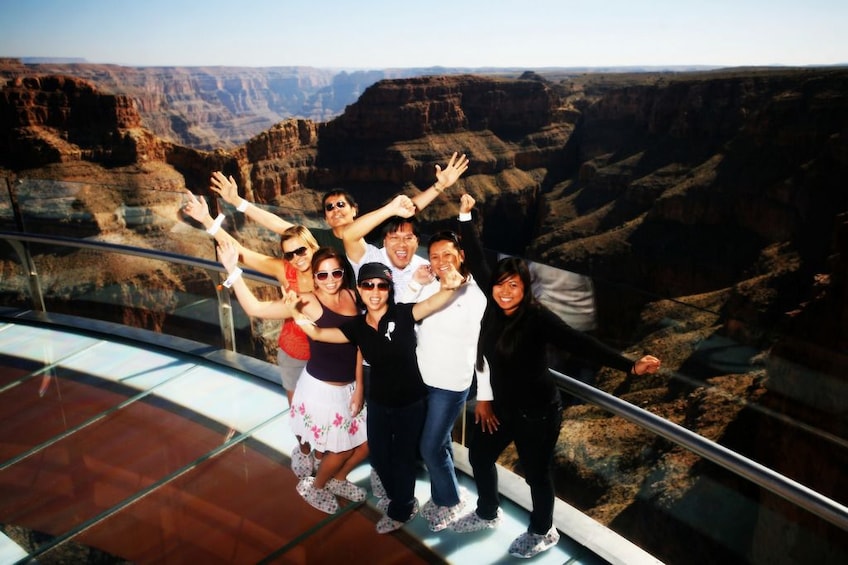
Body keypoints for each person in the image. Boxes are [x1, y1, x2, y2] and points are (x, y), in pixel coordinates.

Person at [451, 200, 662, 559]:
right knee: (481, 456)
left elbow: (580, 342)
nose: (504, 291)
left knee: (537, 474)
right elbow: (474, 254)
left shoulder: (537, 318)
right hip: (501, 406)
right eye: (501, 284)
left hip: (538, 412)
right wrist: (465, 215)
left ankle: (543, 530)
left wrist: (629, 366)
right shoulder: (492, 302)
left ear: (526, 288)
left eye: (513, 286)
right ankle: (488, 511)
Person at [292, 261, 467, 534]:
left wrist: (449, 287)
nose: (375, 291)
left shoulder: (404, 314)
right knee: (380, 458)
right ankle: (399, 496)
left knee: (403, 459)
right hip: (378, 403)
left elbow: (433, 303)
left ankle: (402, 507)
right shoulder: (358, 327)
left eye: (381, 285)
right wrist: (294, 310)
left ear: (389, 289)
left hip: (410, 404)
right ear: (359, 289)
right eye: (368, 285)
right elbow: (317, 332)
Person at [217, 241, 370, 515]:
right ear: (313, 278)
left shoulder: (352, 295)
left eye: (336, 272)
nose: (330, 280)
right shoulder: (307, 301)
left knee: (366, 444)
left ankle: (337, 480)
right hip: (323, 392)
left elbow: (359, 345)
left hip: (349, 389)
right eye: (322, 275)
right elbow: (256, 309)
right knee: (340, 450)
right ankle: (317, 487)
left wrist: (359, 387)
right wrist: (233, 271)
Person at [183, 194, 323, 478]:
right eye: (290, 254)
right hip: (293, 353)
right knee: (299, 414)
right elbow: (241, 252)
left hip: (328, 357)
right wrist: (207, 220)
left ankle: (325, 458)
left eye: (301, 251)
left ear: (313, 246)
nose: (297, 259)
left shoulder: (332, 270)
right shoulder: (284, 270)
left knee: (324, 415)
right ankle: (305, 454)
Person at [406, 211, 487, 532]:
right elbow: (403, 318)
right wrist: (416, 284)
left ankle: (449, 501)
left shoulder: (477, 295)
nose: (440, 261)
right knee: (438, 443)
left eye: (447, 255)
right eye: (434, 255)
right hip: (422, 380)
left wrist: (487, 395)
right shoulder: (430, 287)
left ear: (462, 255)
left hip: (451, 386)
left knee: (429, 446)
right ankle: (445, 491)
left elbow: (486, 347)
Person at [341, 152, 469, 298]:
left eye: (408, 238)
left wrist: (441, 186)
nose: (402, 245)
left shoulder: (426, 269)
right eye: (394, 238)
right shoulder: (372, 259)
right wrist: (390, 209)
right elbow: (349, 235)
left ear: (417, 241)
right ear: (384, 241)